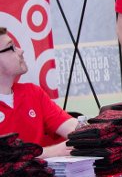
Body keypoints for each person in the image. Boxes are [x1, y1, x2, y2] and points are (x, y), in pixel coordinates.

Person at [0, 27, 78, 158]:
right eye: (11, 47)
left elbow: (70, 126)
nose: (20, 51)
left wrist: (97, 132)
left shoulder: (33, 92)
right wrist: (50, 152)